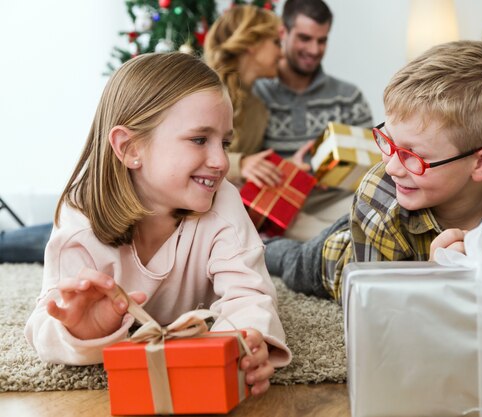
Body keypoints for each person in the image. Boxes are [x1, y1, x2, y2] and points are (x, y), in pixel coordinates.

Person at [24, 52, 291, 396]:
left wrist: (242, 341)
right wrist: (84, 331)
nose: (221, 161)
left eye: (225, 143)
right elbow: (45, 327)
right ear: (130, 146)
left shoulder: (222, 201)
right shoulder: (80, 219)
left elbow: (250, 295)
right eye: (199, 140)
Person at [264, 40, 482, 300]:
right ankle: (262, 244)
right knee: (286, 259)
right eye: (390, 142)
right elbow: (375, 312)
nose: (392, 166)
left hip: (391, 224)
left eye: (413, 155)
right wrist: (431, 281)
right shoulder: (378, 196)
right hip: (343, 256)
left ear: (481, 162)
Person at [253, 0, 374, 241]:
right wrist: (289, 171)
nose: (314, 49)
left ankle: (328, 241)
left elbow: (373, 165)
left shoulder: (348, 97)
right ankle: (334, 241)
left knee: (376, 209)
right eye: (305, 38)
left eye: (322, 40)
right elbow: (241, 165)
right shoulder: (258, 94)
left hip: (335, 203)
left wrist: (340, 172)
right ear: (283, 32)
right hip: (282, 206)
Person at [204, 5, 297, 189]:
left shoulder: (258, 110)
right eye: (276, 43)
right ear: (252, 43)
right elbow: (182, 155)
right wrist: (241, 164)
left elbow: (249, 173)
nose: (282, 53)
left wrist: (287, 168)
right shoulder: (202, 95)